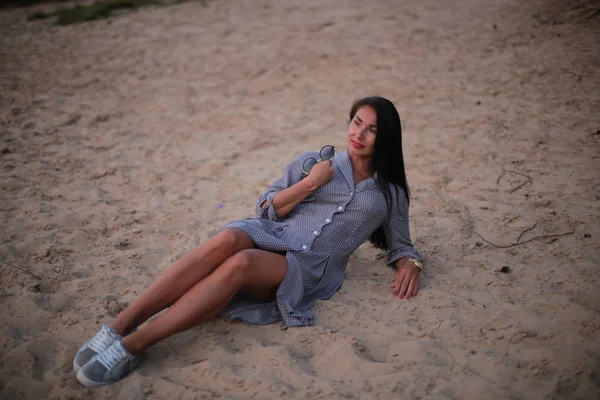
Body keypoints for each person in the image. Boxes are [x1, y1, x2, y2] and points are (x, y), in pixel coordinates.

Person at [73, 96, 423, 388]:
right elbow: (266, 208)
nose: (359, 133)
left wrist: (409, 264)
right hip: (273, 233)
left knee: (240, 264)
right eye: (356, 122)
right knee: (227, 239)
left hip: (308, 266)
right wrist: (310, 183)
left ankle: (133, 346)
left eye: (372, 129)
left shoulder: (389, 193)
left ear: (387, 137)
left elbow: (401, 244)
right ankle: (118, 327)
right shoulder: (314, 161)